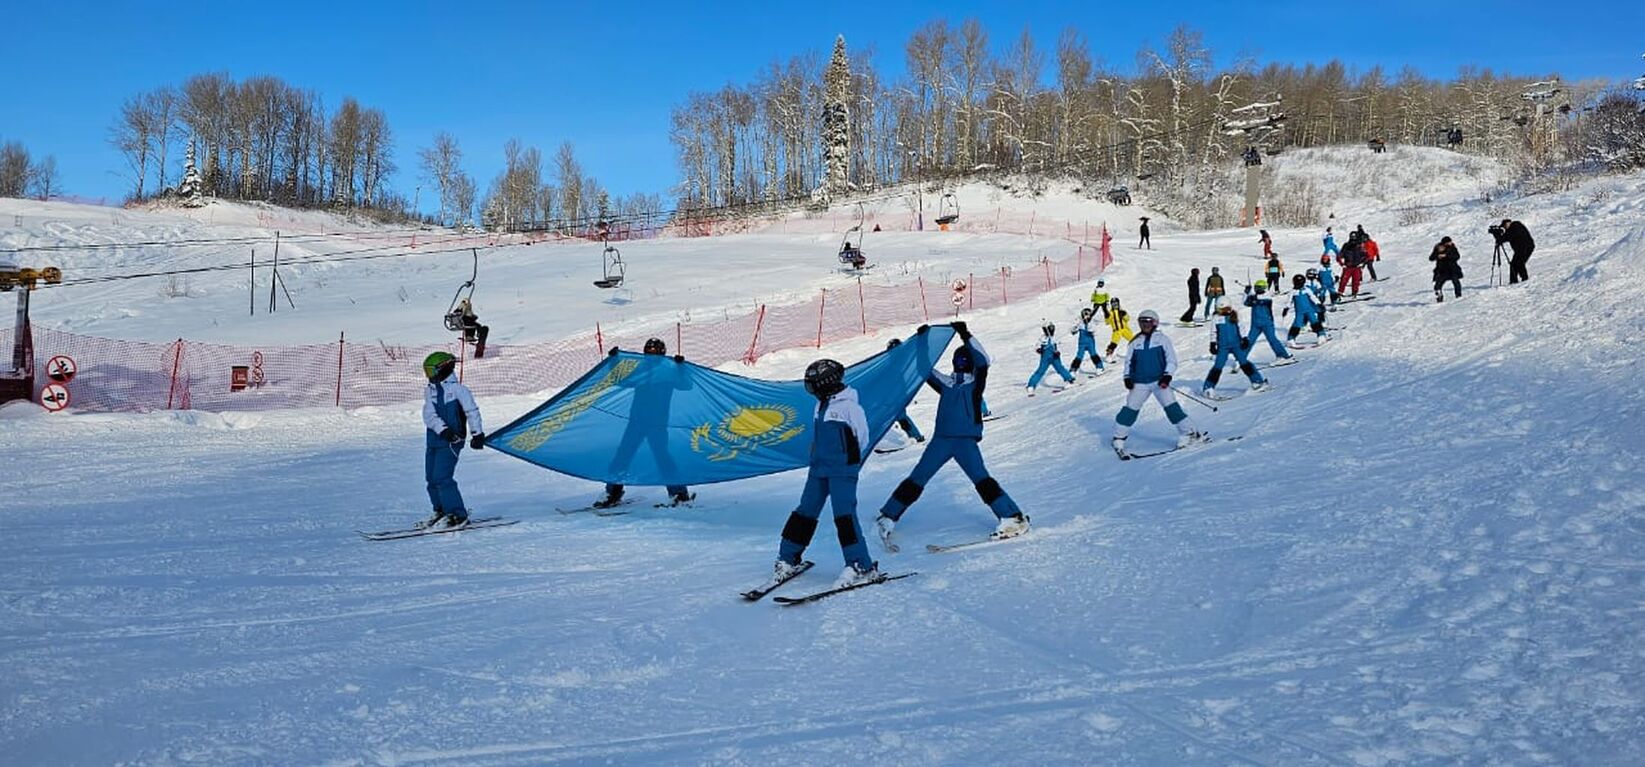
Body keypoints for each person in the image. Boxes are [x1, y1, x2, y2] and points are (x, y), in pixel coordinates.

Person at [876, 322, 1028, 551]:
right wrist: (920, 343)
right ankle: (889, 515)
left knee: (981, 479)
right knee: (917, 477)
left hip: (964, 441)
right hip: (941, 440)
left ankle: (1012, 516)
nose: (960, 364)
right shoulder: (946, 383)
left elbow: (983, 361)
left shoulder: (976, 383)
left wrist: (966, 335)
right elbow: (923, 368)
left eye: (963, 360)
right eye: (957, 360)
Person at [775, 358, 880, 588]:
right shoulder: (821, 404)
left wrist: (846, 460)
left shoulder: (850, 407)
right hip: (819, 469)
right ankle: (788, 557)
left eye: (814, 386)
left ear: (827, 383)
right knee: (805, 512)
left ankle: (859, 564)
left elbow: (862, 438)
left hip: (842, 470)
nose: (812, 391)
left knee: (844, 515)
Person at [593, 338, 694, 509]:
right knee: (622, 456)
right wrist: (614, 361)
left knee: (663, 457)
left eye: (654, 353)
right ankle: (613, 492)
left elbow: (686, 385)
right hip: (636, 422)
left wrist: (681, 368)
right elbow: (620, 380)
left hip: (657, 423)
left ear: (662, 353)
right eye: (648, 353)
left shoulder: (668, 372)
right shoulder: (641, 370)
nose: (651, 356)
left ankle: (679, 494)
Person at [1111, 310, 1207, 457]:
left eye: (1148, 321)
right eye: (1142, 322)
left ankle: (1190, 433)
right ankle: (1119, 438)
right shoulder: (1135, 342)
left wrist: (1167, 376)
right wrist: (1127, 377)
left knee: (1171, 408)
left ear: (1155, 323)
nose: (1145, 325)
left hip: (1159, 381)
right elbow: (1128, 362)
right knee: (1129, 410)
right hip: (1140, 383)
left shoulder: (1162, 339)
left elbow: (1171, 360)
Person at [421, 351, 485, 528]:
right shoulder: (430, 391)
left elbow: (471, 412)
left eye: (431, 371)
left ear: (442, 369)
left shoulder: (458, 390)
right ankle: (441, 510)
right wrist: (442, 430)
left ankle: (457, 514)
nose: (429, 376)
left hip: (452, 441)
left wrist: (477, 434)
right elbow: (428, 415)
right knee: (431, 479)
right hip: (434, 440)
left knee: (443, 478)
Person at [1201, 306, 1268, 398]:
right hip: (1223, 346)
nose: (1221, 311)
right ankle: (1208, 388)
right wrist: (1212, 343)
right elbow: (1213, 332)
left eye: (1223, 309)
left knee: (1244, 362)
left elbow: (1241, 327)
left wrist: (1245, 338)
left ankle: (1257, 382)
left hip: (1236, 344)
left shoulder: (1234, 314)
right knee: (1218, 366)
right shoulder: (1216, 317)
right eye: (1219, 309)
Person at [884, 339, 926, 443]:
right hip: (888, 400)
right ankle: (915, 437)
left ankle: (916, 437)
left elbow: (900, 388)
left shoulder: (899, 366)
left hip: (895, 400)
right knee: (900, 419)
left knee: (902, 419)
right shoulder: (890, 365)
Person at [1243, 280, 1294, 362]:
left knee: (1272, 339)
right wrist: (1246, 293)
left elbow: (1260, 301)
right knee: (1249, 340)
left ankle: (1284, 356)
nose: (1257, 289)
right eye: (1256, 287)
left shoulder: (1267, 297)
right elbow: (1246, 303)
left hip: (1267, 323)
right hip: (1255, 324)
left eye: (1259, 288)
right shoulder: (1254, 297)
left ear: (1264, 288)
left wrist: (1252, 297)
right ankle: (1241, 358)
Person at [1027, 322, 1077, 395]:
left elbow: (1064, 339)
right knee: (1040, 371)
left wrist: (1072, 333)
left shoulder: (1055, 337)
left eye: (1052, 329)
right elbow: (1036, 346)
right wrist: (1039, 350)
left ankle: (1069, 380)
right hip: (1045, 357)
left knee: (1060, 368)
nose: (1051, 331)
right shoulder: (1043, 338)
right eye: (1050, 329)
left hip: (1054, 356)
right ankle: (1031, 386)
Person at [1285, 274, 1330, 345]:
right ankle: (1291, 339)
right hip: (1299, 312)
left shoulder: (1306, 290)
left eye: (1300, 283)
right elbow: (1289, 301)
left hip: (1309, 310)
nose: (1299, 285)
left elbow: (1313, 297)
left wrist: (1318, 304)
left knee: (1315, 322)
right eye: (1297, 283)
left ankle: (1321, 335)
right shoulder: (1292, 292)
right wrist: (1286, 308)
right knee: (1297, 324)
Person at [1069, 308, 1105, 374]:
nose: (1086, 317)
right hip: (1082, 343)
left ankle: (1100, 367)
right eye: (1085, 315)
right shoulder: (1080, 323)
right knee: (1079, 356)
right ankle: (1073, 369)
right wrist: (1074, 329)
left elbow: (1095, 332)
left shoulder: (1092, 323)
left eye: (1088, 315)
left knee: (1093, 354)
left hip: (1090, 342)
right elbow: (1073, 332)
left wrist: (1090, 328)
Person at [1429, 236, 1463, 302]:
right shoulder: (1438, 248)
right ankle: (1439, 297)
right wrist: (1437, 254)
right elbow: (1431, 258)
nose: (1450, 243)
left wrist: (1446, 255)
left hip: (1452, 269)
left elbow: (1457, 256)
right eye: (1448, 242)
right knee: (1438, 284)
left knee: (1456, 281)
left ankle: (1458, 295)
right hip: (1442, 270)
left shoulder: (1452, 248)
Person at [1501, 218, 1535, 284]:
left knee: (1519, 263)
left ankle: (1525, 280)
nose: (1504, 228)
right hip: (1520, 249)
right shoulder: (1511, 229)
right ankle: (1513, 281)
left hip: (1526, 247)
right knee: (1513, 264)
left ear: (1508, 223)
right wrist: (1499, 237)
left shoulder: (1516, 225)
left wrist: (1501, 238)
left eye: (1504, 226)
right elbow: (1506, 237)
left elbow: (1509, 236)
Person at [1336, 232, 1368, 297]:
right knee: (1343, 280)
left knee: (1356, 281)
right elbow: (1339, 255)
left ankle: (1355, 292)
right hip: (1348, 267)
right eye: (1352, 237)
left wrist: (1362, 263)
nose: (1353, 238)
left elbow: (1366, 255)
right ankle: (1340, 292)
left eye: (1354, 237)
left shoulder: (1360, 246)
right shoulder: (1346, 245)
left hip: (1356, 266)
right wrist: (1342, 264)